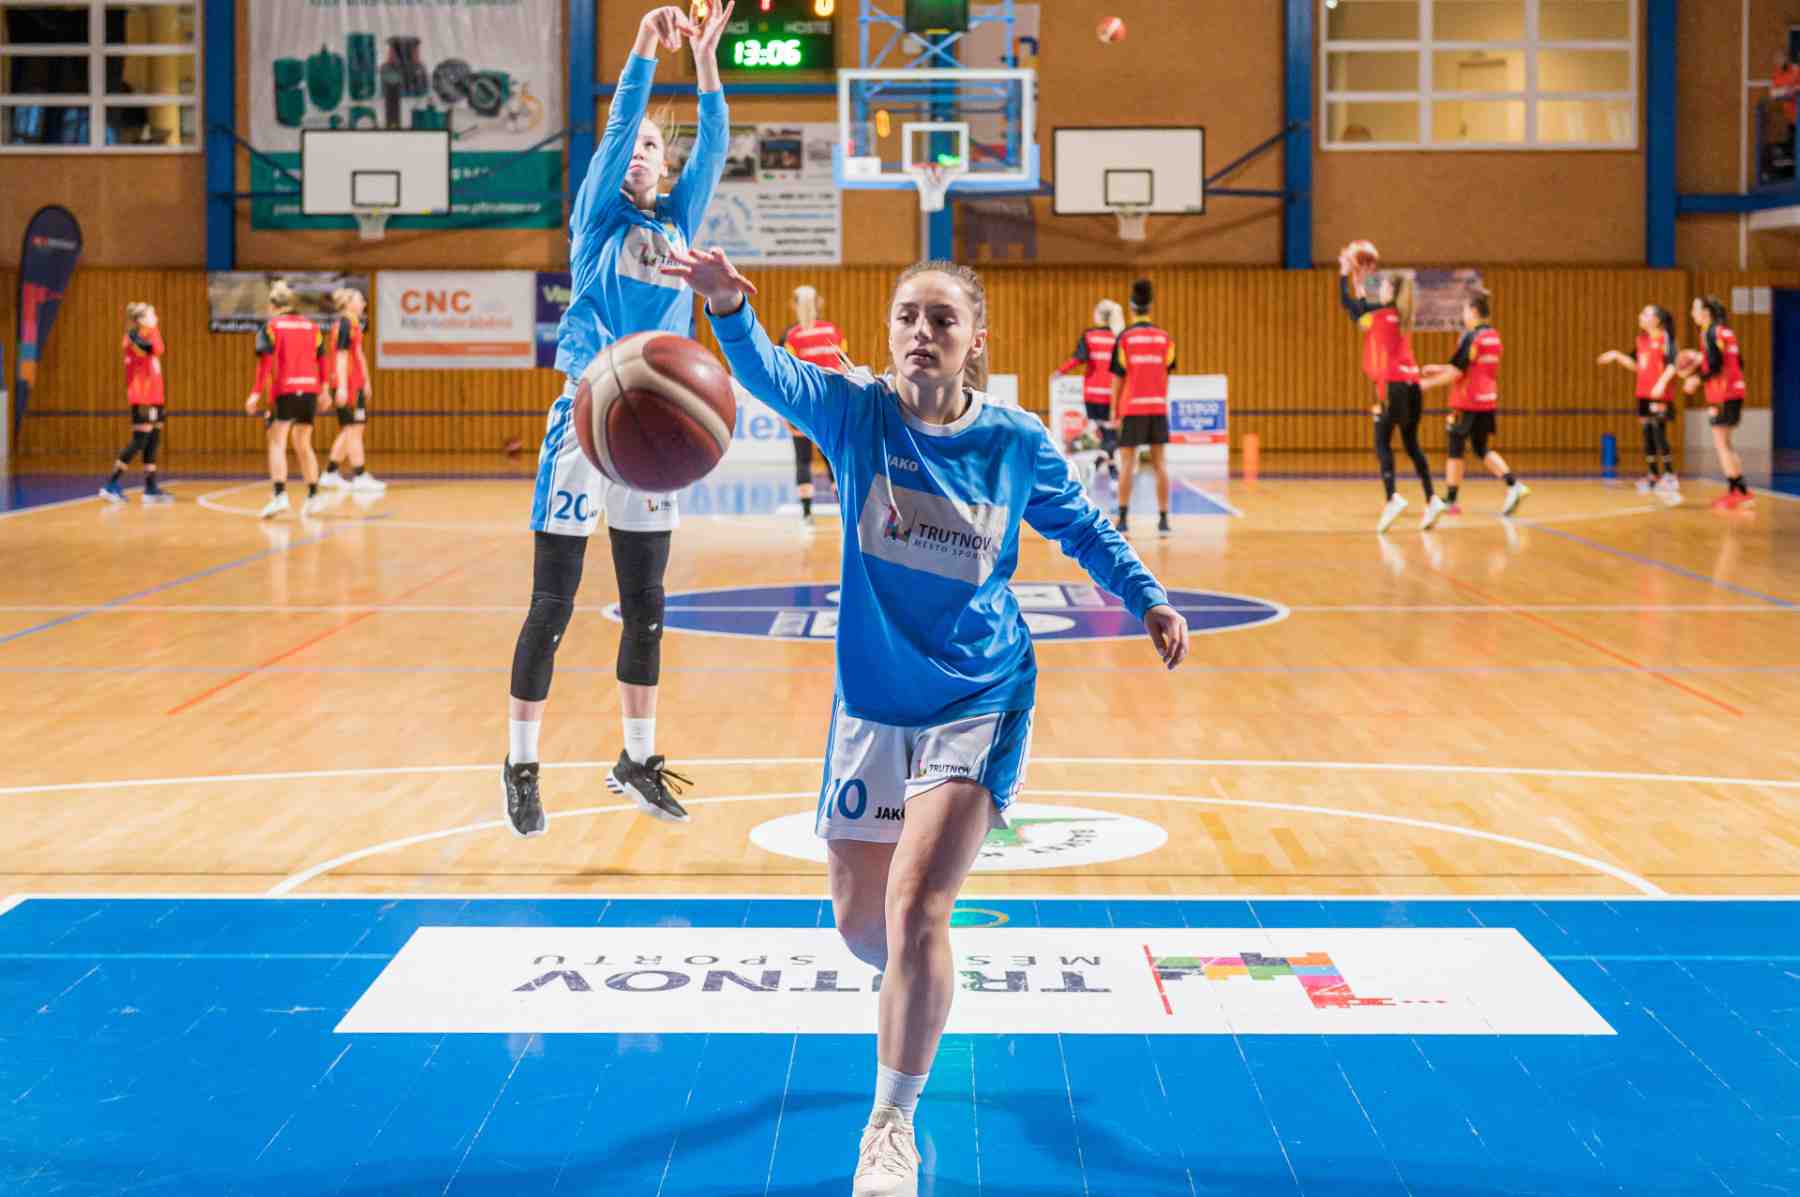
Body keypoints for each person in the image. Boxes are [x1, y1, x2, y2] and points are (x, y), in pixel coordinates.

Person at [665, 245, 1190, 1197]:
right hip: (872, 704)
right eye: (908, 316)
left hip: (977, 696)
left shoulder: (1014, 442)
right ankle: (918, 972)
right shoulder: (856, 414)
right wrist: (730, 309)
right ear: (889, 331)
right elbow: (768, 373)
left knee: (915, 911)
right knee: (864, 929)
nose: (922, 332)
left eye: (942, 319)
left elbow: (1080, 525)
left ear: (974, 340)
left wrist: (1144, 592)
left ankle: (889, 1129)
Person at [501, 2, 734, 837]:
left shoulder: (678, 223)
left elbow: (715, 144)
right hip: (586, 419)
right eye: (631, 143)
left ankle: (637, 758)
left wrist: (705, 61)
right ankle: (521, 764)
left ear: (665, 168)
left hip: (654, 439)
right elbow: (619, 122)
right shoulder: (599, 214)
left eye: (652, 148)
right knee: (553, 605)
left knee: (647, 603)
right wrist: (643, 44)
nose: (640, 151)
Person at [1339, 250, 1442, 532]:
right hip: (1413, 387)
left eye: (1384, 286)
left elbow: (1350, 307)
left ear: (1391, 292)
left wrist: (1344, 275)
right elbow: (1364, 309)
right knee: (1411, 444)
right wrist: (1361, 287)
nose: (1381, 289)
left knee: (1382, 442)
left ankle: (1392, 498)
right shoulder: (1402, 316)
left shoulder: (1380, 317)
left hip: (1395, 387)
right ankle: (1432, 498)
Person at [1420, 290, 1528, 516]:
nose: (1463, 315)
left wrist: (1427, 384)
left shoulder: (1471, 337)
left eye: (1464, 310)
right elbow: (1470, 366)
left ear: (1473, 311)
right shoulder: (1493, 337)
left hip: (1466, 401)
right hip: (1486, 400)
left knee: (1455, 448)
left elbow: (1457, 372)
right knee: (1480, 448)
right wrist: (1439, 368)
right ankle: (1513, 484)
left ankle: (1451, 500)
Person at [243, 280, 332, 520]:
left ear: (272, 306)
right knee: (303, 442)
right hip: (310, 389)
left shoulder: (271, 327)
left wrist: (255, 393)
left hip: (286, 389)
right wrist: (325, 390)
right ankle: (313, 495)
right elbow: (322, 359)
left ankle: (279, 495)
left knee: (277, 441)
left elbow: (265, 364)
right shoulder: (312, 327)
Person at [1109, 280, 1175, 537]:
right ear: (1151, 305)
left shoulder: (1125, 338)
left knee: (1127, 464)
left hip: (1132, 408)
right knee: (1160, 465)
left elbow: (1118, 379)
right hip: (1157, 408)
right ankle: (1164, 521)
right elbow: (1166, 372)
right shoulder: (1165, 338)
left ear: (1131, 306)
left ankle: (1123, 520)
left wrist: (1114, 411)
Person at [777, 283, 846, 527]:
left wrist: (785, 411)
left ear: (794, 306)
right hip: (831, 406)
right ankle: (845, 511)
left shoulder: (791, 337)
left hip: (802, 408)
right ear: (819, 303)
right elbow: (842, 369)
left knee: (803, 459)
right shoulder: (833, 332)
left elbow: (787, 378)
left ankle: (807, 514)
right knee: (833, 458)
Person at [1596, 304, 1680, 501]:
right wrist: (1616, 355)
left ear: (1657, 320)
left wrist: (1661, 383)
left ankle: (1669, 475)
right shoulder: (1642, 340)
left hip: (1659, 394)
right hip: (1643, 393)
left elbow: (1672, 365)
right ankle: (1653, 475)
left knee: (1659, 432)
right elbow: (1637, 365)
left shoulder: (1666, 339)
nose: (1640, 316)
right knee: (1647, 433)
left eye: (1645, 314)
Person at [1683, 295, 1754, 510]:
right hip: (1734, 391)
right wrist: (1701, 359)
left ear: (1706, 312)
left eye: (1694, 308)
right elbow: (1737, 362)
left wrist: (1696, 379)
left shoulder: (1709, 332)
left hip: (1722, 394)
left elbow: (1716, 366)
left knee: (1722, 444)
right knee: (1726, 443)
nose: (1692, 313)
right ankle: (1741, 490)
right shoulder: (1724, 331)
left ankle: (1737, 492)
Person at [100, 301, 171, 504]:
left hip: (155, 396)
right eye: (152, 314)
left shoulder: (147, 333)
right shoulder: (133, 338)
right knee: (139, 440)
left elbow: (158, 348)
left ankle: (150, 488)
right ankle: (110, 484)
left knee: (153, 439)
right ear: (141, 319)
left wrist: (149, 329)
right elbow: (151, 348)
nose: (156, 318)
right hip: (143, 397)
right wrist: (142, 332)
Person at [318, 286, 385, 496]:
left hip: (355, 383)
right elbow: (341, 356)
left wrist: (366, 381)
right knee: (353, 429)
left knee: (352, 429)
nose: (364, 303)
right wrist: (342, 387)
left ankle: (330, 473)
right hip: (347, 385)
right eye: (359, 299)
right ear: (348, 303)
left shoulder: (355, 324)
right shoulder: (344, 324)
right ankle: (360, 475)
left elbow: (359, 354)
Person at [1053, 297, 1124, 480]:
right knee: (1110, 435)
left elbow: (1078, 359)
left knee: (1106, 434)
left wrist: (1060, 371)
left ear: (1099, 315)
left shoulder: (1090, 335)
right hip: (1111, 396)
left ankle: (1106, 466)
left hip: (1092, 395)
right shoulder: (1119, 338)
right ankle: (1104, 466)